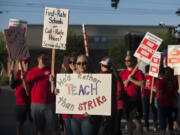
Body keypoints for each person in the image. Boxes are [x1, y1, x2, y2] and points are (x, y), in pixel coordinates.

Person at [25, 53, 59, 135]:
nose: (45, 60)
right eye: (43, 58)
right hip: (36, 104)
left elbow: (58, 87)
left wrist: (53, 82)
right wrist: (23, 80)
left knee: (55, 129)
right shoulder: (31, 72)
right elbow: (26, 89)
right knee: (40, 129)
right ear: (38, 59)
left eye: (46, 59)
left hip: (50, 104)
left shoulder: (53, 71)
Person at [119, 55, 145, 135]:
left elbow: (142, 84)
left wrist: (131, 80)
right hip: (126, 100)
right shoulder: (122, 73)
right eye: (126, 60)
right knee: (128, 120)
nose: (127, 62)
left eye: (129, 60)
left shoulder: (138, 72)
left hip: (135, 100)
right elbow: (119, 85)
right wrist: (124, 83)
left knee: (137, 120)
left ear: (133, 61)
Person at [70, 54, 95, 135]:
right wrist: (57, 90)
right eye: (78, 63)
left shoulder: (95, 79)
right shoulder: (71, 79)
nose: (81, 65)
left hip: (88, 117)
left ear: (88, 64)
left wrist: (94, 111)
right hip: (74, 117)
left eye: (84, 63)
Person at [9, 57, 35, 135]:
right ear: (22, 64)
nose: (27, 64)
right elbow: (13, 86)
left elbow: (29, 90)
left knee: (33, 124)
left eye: (28, 62)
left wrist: (24, 79)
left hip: (31, 102)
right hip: (20, 102)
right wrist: (11, 77)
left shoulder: (32, 73)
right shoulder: (18, 73)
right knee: (19, 124)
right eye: (25, 62)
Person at [99, 56, 124, 135]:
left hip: (104, 106)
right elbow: (120, 89)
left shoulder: (100, 75)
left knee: (106, 129)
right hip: (114, 106)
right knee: (114, 129)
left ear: (102, 66)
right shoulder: (115, 75)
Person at [156, 67, 178, 135]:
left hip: (163, 102)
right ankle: (171, 131)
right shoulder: (174, 80)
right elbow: (175, 92)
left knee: (163, 118)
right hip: (170, 102)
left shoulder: (162, 81)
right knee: (170, 118)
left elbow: (160, 91)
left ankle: (163, 131)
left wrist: (156, 90)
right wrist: (176, 101)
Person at [61, 52, 78, 135]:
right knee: (69, 132)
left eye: (74, 62)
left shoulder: (83, 75)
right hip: (67, 109)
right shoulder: (64, 76)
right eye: (70, 62)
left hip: (78, 110)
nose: (72, 64)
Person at [142, 65, 158, 131]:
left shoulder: (152, 77)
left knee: (147, 112)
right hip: (148, 95)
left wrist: (153, 88)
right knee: (153, 112)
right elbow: (156, 88)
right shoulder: (148, 76)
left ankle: (147, 126)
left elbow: (156, 88)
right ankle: (153, 126)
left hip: (148, 96)